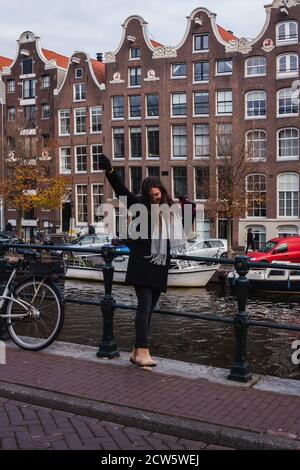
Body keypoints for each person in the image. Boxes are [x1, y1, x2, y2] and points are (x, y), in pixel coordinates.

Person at [99, 154, 188, 369]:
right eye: (152, 196)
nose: (156, 198)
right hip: (142, 262)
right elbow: (121, 191)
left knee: (150, 308)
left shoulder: (169, 209)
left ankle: (136, 351)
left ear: (162, 191)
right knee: (144, 306)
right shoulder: (138, 205)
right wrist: (109, 171)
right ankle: (144, 352)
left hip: (159, 263)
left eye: (158, 194)